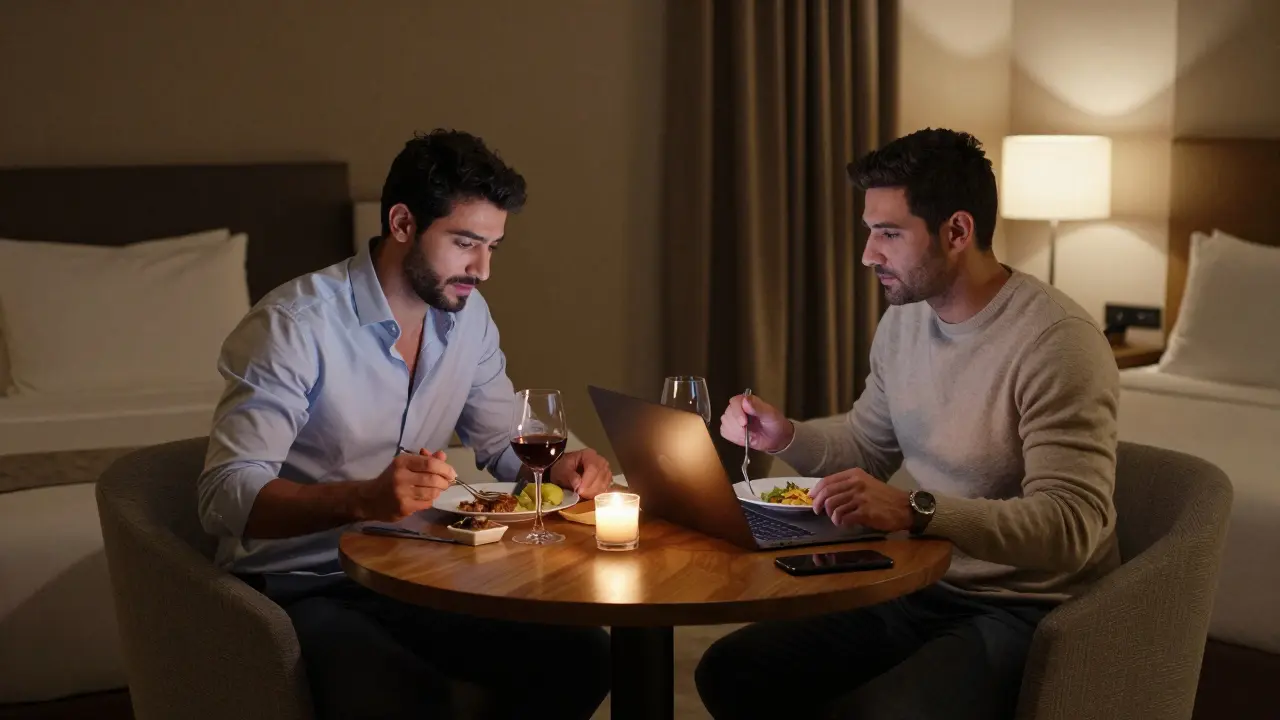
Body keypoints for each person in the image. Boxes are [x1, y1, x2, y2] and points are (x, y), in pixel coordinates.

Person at [696, 128, 1121, 720]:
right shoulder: (905, 322)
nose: (868, 253)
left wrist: (914, 509)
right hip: (916, 584)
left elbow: (1072, 527)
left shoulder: (1056, 345)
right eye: (870, 230)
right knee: (731, 671)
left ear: (957, 231)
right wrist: (785, 435)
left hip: (1021, 608)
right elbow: (867, 446)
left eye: (889, 233)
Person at [197, 129, 613, 720]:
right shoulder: (294, 325)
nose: (484, 269)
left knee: (583, 654)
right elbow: (222, 496)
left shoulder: (468, 317)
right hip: (303, 580)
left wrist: (565, 461)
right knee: (401, 693)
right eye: (466, 242)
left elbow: (500, 440)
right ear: (401, 224)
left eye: (493, 246)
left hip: (419, 572)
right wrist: (361, 499)